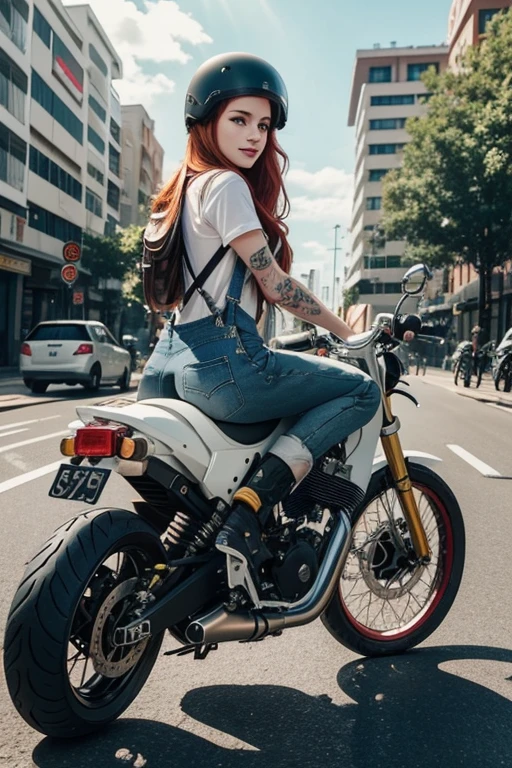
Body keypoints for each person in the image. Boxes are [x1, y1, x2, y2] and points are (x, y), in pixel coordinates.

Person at [138, 52, 381, 582]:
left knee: (188, 515)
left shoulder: (178, 191)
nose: (254, 135)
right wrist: (348, 332)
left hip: (166, 363)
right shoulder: (224, 186)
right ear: (207, 122)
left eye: (264, 124)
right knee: (362, 393)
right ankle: (251, 509)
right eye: (239, 120)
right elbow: (275, 285)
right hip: (225, 364)